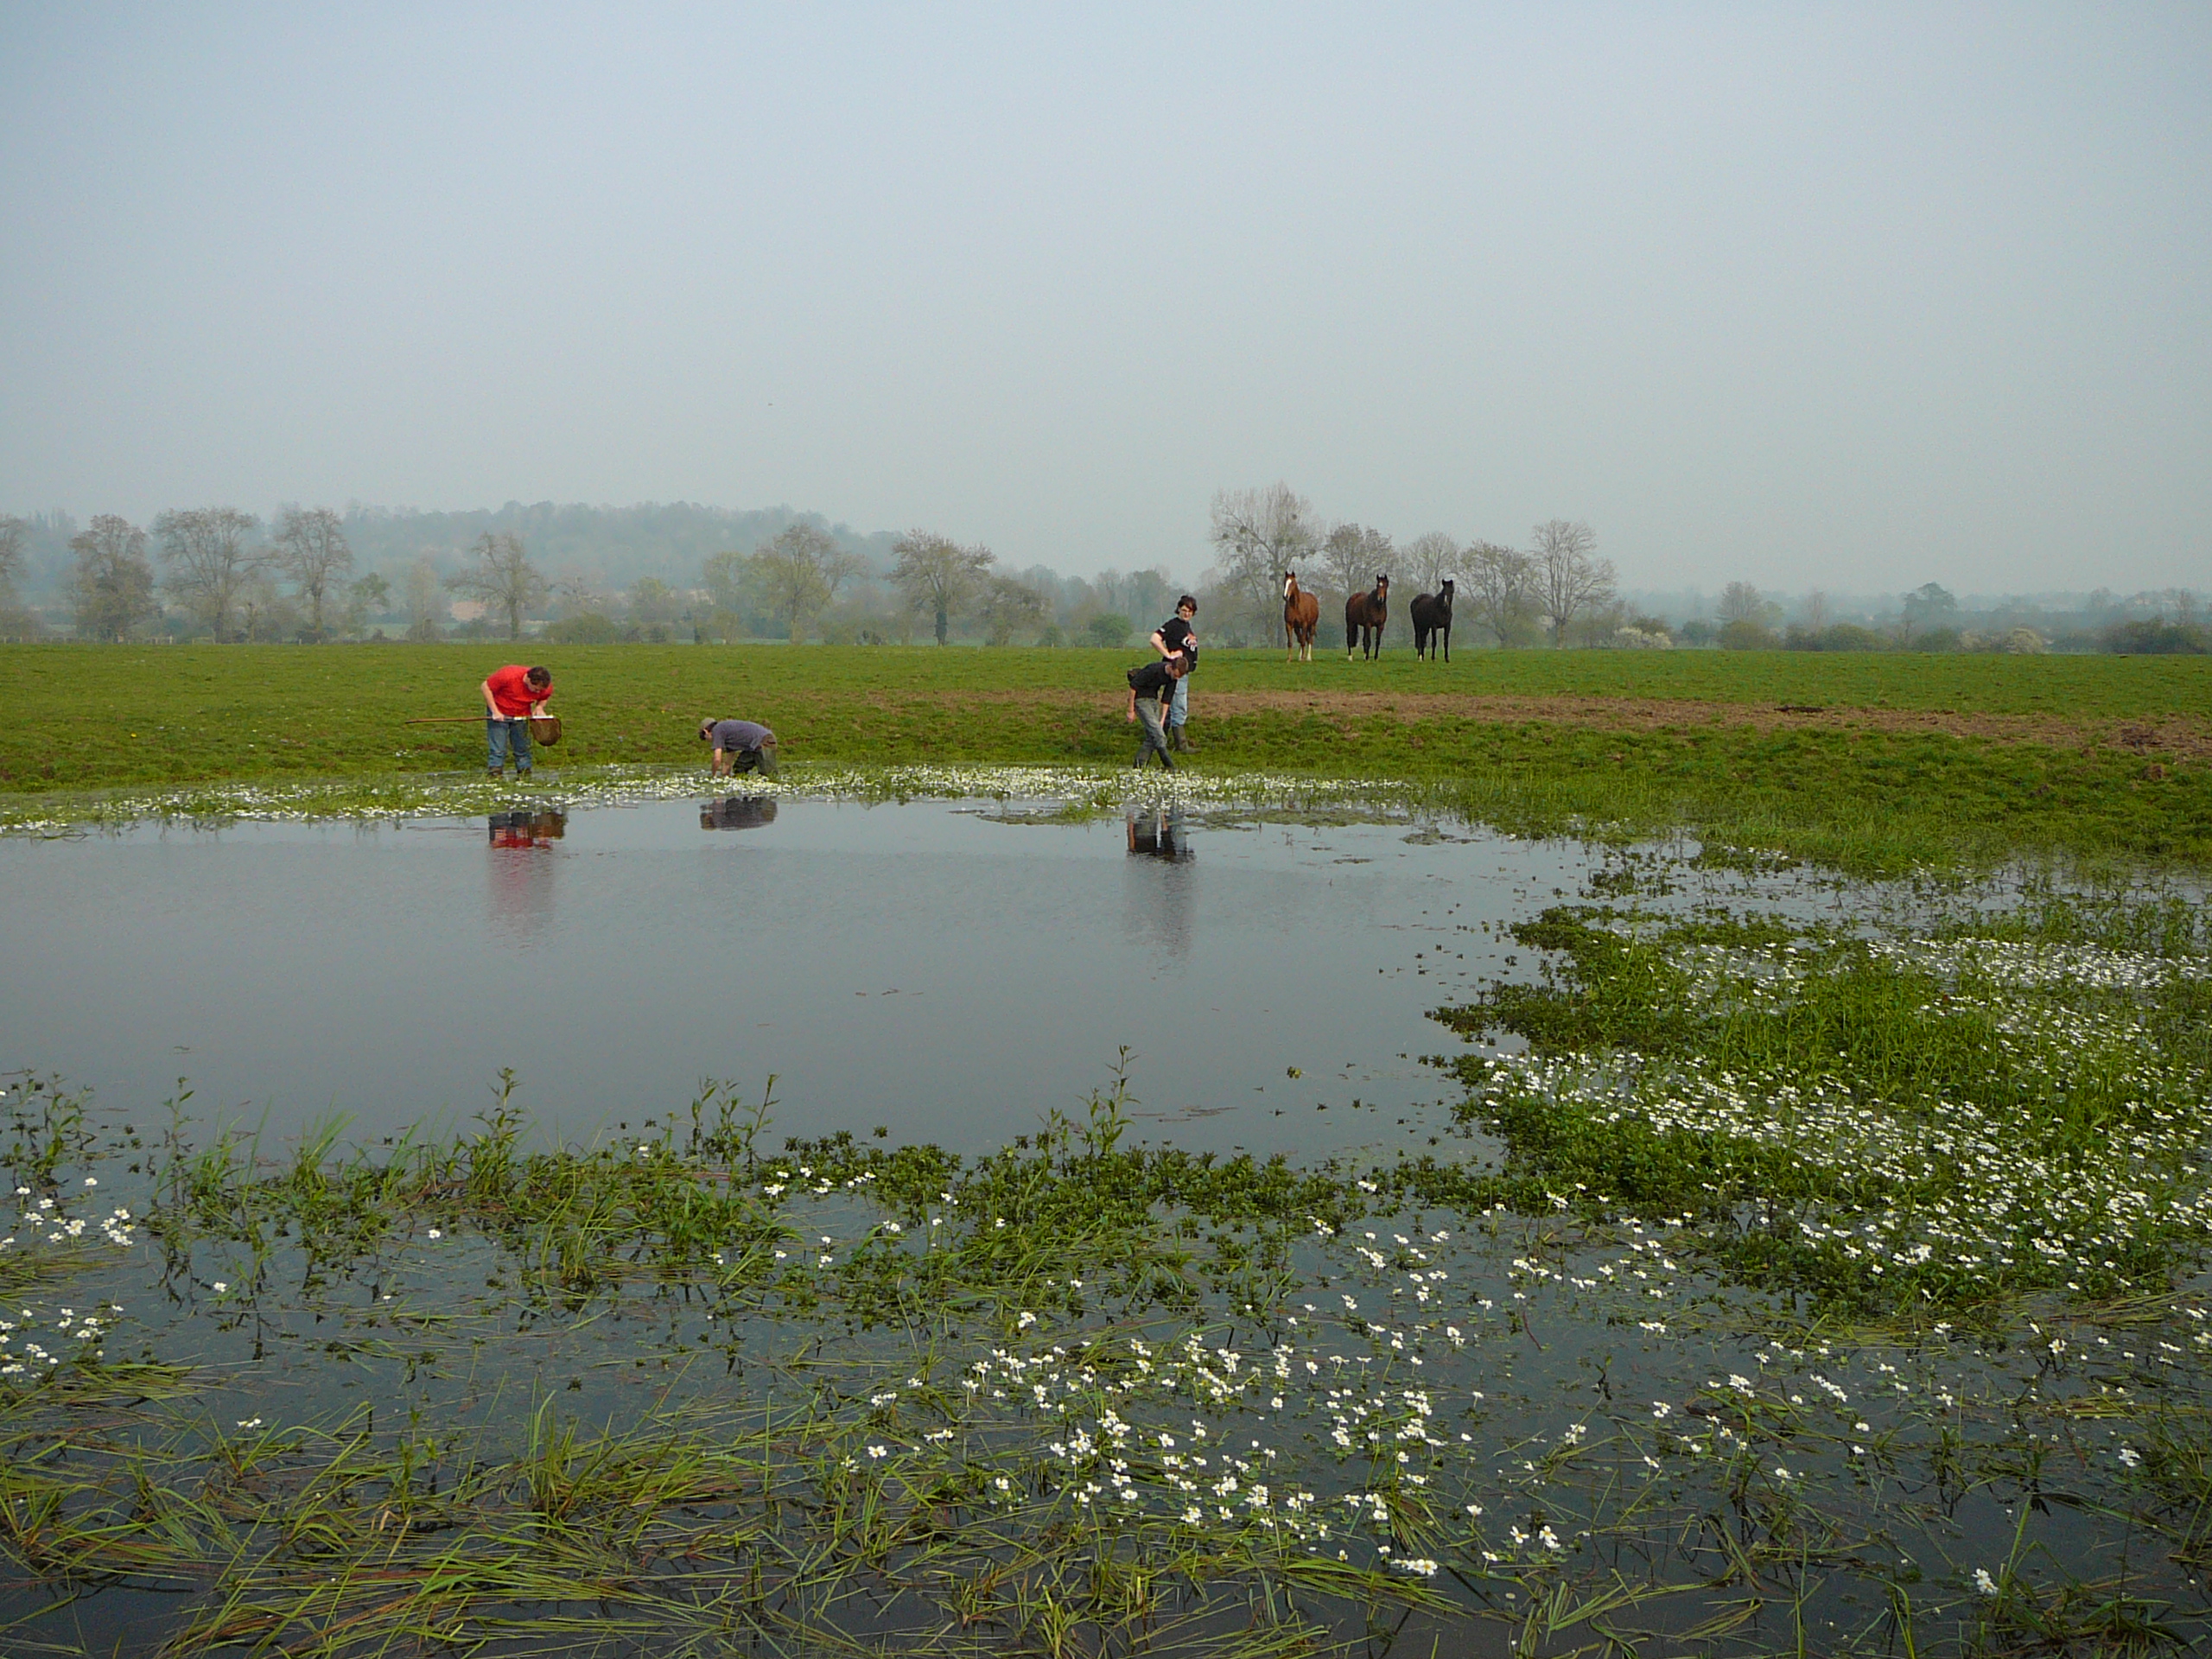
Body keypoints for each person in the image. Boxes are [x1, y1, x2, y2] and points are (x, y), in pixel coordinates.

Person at [481, 664, 553, 778]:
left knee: (522, 747)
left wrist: (539, 707)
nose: (537, 692)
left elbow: (544, 697)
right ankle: (495, 772)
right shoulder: (508, 675)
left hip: (522, 715)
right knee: (498, 748)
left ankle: (524, 771)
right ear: (528, 680)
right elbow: (486, 687)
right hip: (500, 712)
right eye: (535, 689)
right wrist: (495, 711)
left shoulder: (544, 686)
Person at [1147, 595, 1200, 750]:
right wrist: (1168, 655)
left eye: (1190, 611)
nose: (1186, 614)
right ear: (1178, 609)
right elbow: (1155, 638)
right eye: (1184, 610)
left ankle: (1161, 740)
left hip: (1184, 672)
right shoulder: (1174, 625)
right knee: (1179, 706)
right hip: (1177, 672)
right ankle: (1181, 744)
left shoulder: (1186, 627)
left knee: (1170, 707)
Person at [1125, 652, 1188, 770]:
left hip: (1152, 700)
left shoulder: (1173, 678)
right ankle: (1169, 764)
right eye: (1176, 675)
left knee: (1153, 734)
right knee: (1159, 735)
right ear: (1171, 667)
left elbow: (1166, 699)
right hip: (1141, 699)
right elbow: (1133, 687)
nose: (1176, 678)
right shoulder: (1153, 669)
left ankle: (1139, 764)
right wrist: (1131, 710)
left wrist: (1162, 720)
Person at [699, 717, 779, 777]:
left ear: (706, 731)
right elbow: (728, 762)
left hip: (765, 741)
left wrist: (713, 775)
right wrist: (724, 776)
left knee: (768, 775)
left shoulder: (717, 730)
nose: (708, 741)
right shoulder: (726, 734)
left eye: (704, 737)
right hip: (754, 746)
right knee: (739, 769)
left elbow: (717, 759)